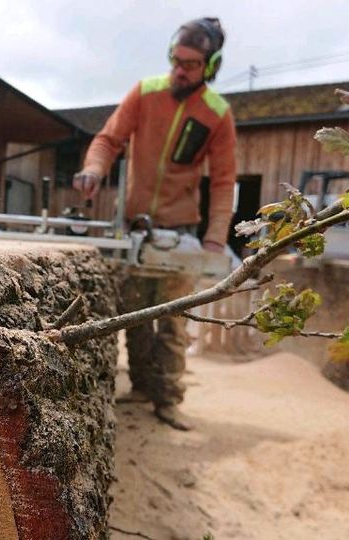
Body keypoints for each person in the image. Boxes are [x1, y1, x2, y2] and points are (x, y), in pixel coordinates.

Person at [73, 17, 238, 430]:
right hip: (136, 227)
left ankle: (168, 399)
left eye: (191, 64)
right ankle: (142, 387)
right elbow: (108, 140)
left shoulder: (217, 114)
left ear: (211, 66)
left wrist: (215, 238)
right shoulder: (145, 94)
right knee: (135, 313)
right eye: (175, 59)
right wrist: (94, 168)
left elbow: (223, 181)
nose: (179, 70)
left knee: (173, 320)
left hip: (180, 231)